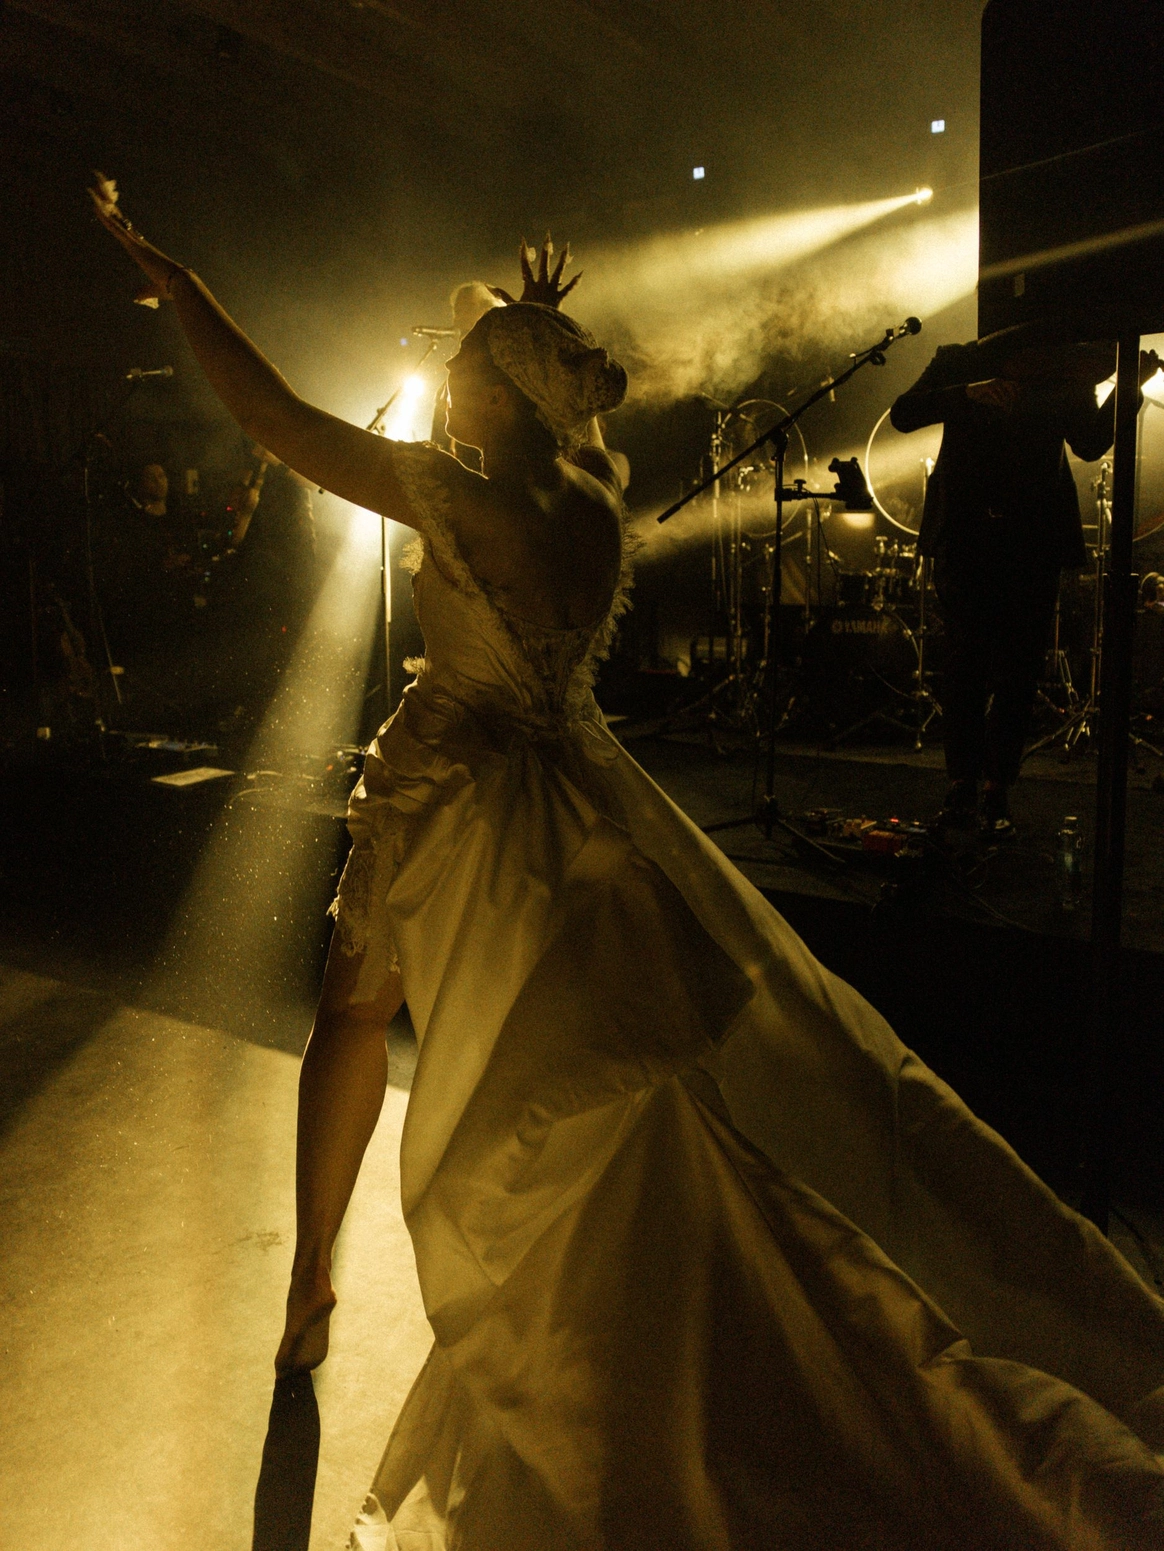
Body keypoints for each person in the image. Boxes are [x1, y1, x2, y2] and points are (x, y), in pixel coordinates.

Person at [90, 178, 1164, 1550]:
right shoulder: (590, 501)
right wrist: (529, 325)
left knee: (359, 1018)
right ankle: (612, 1293)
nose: (446, 383)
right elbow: (549, 484)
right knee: (583, 1079)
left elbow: (278, 422)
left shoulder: (455, 496)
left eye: (466, 370)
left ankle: (318, 1281)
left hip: (452, 793)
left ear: (497, 401)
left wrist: (181, 286)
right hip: (567, 800)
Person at [891, 328, 1159, 838]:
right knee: (965, 668)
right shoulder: (958, 360)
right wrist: (969, 392)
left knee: (1017, 670)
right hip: (965, 534)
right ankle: (962, 785)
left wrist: (1129, 386)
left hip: (1033, 537)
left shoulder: (1063, 369)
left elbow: (1089, 442)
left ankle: (996, 789)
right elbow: (903, 413)